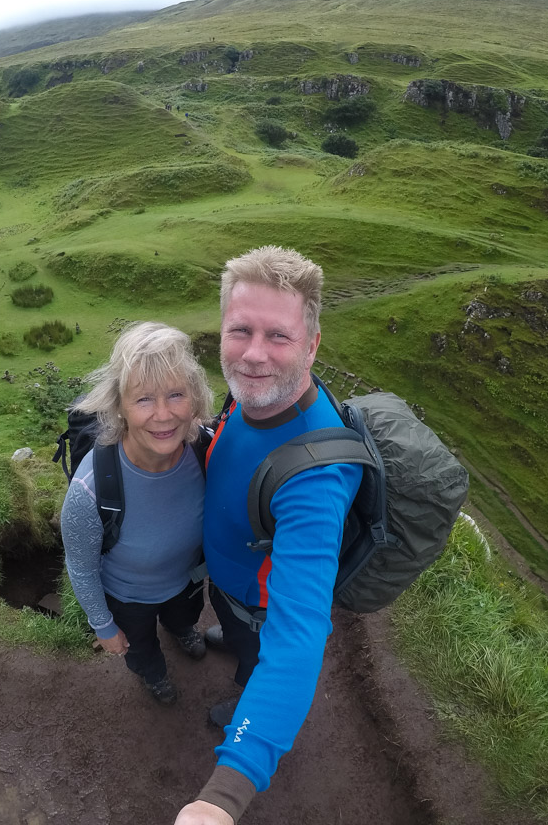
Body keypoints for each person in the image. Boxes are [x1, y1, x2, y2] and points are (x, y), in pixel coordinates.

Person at [174, 246, 364, 824]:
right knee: (231, 628)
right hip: (230, 585)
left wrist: (222, 798)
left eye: (278, 337)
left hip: (259, 603)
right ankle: (233, 641)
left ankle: (243, 697)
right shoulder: (253, 395)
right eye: (240, 330)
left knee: (259, 652)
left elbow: (300, 639)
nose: (254, 355)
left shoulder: (315, 482)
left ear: (312, 345)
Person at [61, 322, 214, 704]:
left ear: (194, 397)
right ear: (119, 407)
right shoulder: (89, 491)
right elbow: (80, 567)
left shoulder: (205, 449)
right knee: (140, 646)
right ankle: (154, 674)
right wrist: (104, 625)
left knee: (185, 616)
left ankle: (182, 630)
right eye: (144, 399)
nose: (163, 415)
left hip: (186, 582)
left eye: (176, 394)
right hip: (127, 599)